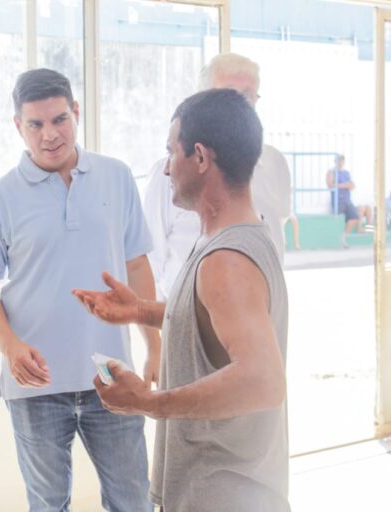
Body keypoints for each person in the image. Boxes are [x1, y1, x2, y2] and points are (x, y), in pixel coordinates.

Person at [74, 89, 290, 512]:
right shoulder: (237, 237)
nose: (168, 169)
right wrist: (140, 310)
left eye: (171, 153)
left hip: (224, 495)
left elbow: (264, 379)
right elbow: (211, 319)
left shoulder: (226, 259)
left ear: (201, 157)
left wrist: (148, 403)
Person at [0, 68, 158, 512]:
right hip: (35, 385)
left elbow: (137, 265)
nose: (49, 135)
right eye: (35, 124)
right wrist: (10, 345)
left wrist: (154, 345)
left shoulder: (116, 176)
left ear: (76, 112)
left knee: (133, 501)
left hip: (112, 374)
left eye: (59, 120)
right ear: (18, 126)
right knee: (48, 505)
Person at [144, 52, 291, 299]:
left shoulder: (274, 163)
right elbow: (149, 263)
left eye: (247, 95)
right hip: (187, 322)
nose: (240, 106)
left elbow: (278, 228)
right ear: (201, 100)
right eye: (228, 95)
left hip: (265, 313)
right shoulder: (167, 174)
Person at [326, 154, 371, 247]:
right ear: (335, 161)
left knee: (355, 217)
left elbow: (352, 186)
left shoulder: (346, 173)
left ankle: (345, 236)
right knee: (350, 215)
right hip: (338, 201)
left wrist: (343, 185)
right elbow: (330, 185)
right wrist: (345, 185)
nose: (341, 162)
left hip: (347, 200)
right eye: (339, 160)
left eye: (342, 160)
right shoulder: (331, 172)